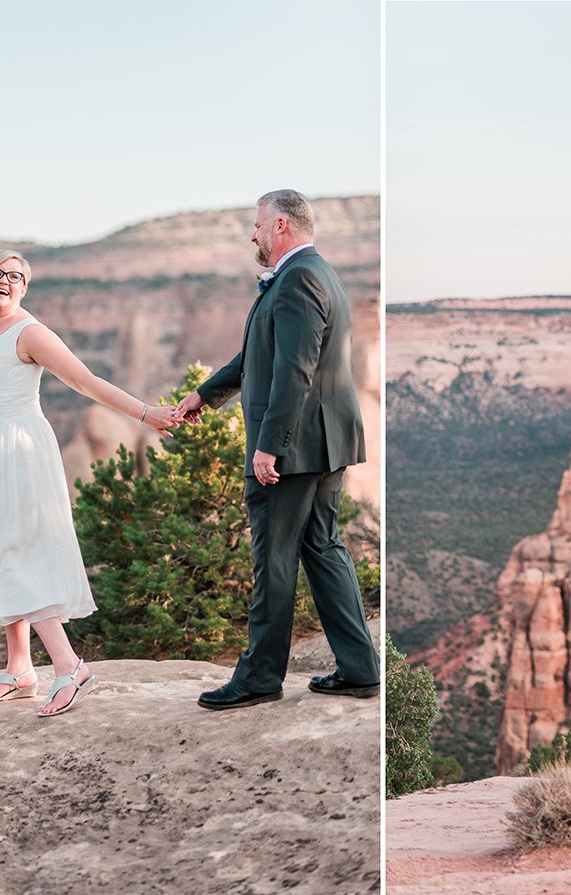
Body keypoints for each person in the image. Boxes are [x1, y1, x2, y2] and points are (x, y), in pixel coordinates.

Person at [0, 249, 179, 717]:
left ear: (25, 288)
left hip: (17, 450)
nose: (5, 282)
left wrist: (145, 413)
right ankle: (19, 670)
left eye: (16, 277)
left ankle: (71, 668)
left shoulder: (30, 332)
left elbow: (87, 382)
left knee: (19, 555)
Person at [173, 189, 380, 710]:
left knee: (276, 558)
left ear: (281, 225)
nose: (254, 234)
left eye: (258, 224)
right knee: (322, 547)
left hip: (294, 449)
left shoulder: (299, 278)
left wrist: (270, 447)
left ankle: (260, 678)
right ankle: (359, 668)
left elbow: (295, 371)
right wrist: (208, 393)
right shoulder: (317, 273)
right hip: (323, 443)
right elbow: (261, 353)